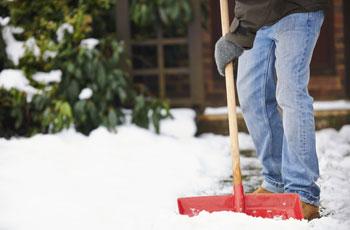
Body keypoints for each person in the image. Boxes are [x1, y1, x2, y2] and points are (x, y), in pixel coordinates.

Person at [214, 0, 328, 220]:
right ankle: (275, 181)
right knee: (251, 94)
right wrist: (236, 35)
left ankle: (302, 191)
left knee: (290, 93)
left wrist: (238, 33)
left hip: (298, 8)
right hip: (257, 18)